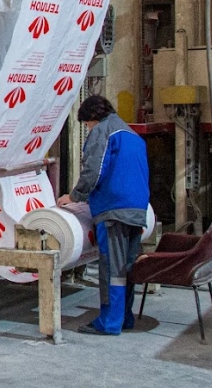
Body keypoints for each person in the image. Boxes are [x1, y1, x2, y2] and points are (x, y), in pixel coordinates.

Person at [57, 95, 150, 335]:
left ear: (92, 118)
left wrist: (74, 197)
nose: (88, 129)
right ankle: (124, 317)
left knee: (112, 269)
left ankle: (109, 323)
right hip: (137, 209)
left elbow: (94, 170)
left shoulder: (103, 131)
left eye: (87, 124)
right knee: (127, 267)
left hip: (113, 210)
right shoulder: (133, 136)